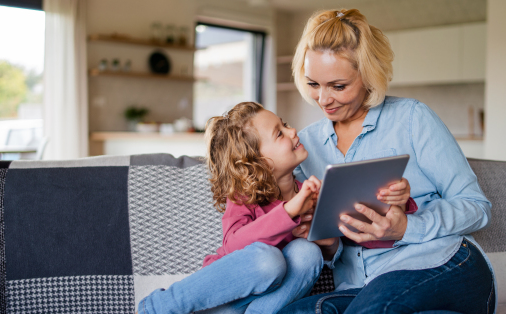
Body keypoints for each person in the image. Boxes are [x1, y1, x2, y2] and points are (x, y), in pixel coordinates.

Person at [277, 9, 496, 314]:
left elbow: (476, 206)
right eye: (313, 84)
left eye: (338, 86)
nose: (323, 99)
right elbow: (330, 246)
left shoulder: (412, 118)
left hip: (441, 264)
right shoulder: (306, 145)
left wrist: (406, 227)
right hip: (360, 287)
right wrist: (323, 239)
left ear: (368, 76)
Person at [137, 102, 413, 314]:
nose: (293, 132)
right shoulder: (245, 195)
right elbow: (234, 244)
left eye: (286, 125)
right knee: (267, 259)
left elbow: (355, 236)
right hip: (221, 299)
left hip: (261, 306)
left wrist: (329, 243)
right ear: (258, 161)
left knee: (308, 252)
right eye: (279, 133)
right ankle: (161, 305)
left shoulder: (310, 191)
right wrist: (289, 212)